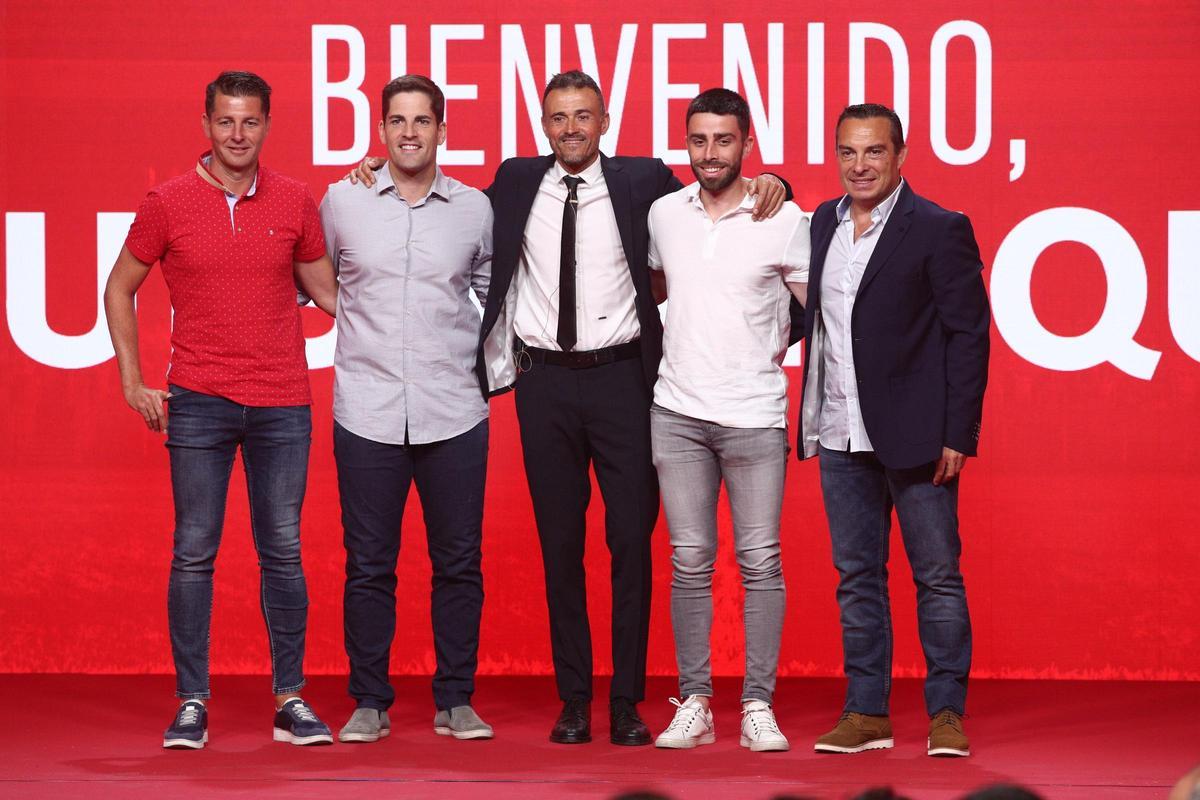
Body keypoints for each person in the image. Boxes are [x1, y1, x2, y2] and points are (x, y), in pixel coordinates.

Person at [102, 71, 339, 749]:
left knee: (283, 552)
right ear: (206, 124)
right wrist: (132, 381)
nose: (238, 135)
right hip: (199, 399)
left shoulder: (294, 199)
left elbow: (332, 296)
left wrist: (368, 189)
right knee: (194, 553)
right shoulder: (168, 202)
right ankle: (191, 702)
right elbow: (119, 288)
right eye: (226, 121)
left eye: (250, 122)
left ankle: (291, 699)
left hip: (282, 400)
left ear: (267, 125)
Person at [795, 103, 990, 757]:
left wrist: (958, 432)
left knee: (937, 576)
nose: (860, 165)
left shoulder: (938, 227)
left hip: (918, 437)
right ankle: (866, 713)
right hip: (839, 432)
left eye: (874, 151)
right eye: (848, 152)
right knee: (857, 578)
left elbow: (968, 335)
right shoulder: (822, 223)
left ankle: (947, 715)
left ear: (900, 155)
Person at [320, 75, 494, 744]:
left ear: (442, 130)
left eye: (423, 120)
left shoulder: (474, 209)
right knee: (368, 565)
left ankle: (456, 699)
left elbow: (496, 298)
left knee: (459, 563)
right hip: (367, 410)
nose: (410, 132)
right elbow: (313, 276)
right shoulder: (343, 200)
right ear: (382, 130)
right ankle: (369, 701)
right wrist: (361, 320)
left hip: (455, 410)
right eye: (398, 121)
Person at [645, 89, 808, 753]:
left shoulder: (783, 217)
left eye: (723, 140)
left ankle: (758, 705)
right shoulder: (665, 213)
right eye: (698, 140)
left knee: (760, 561)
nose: (709, 153)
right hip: (677, 412)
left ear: (746, 144)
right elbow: (659, 286)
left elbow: (824, 306)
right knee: (689, 561)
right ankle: (696, 702)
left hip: (754, 415)